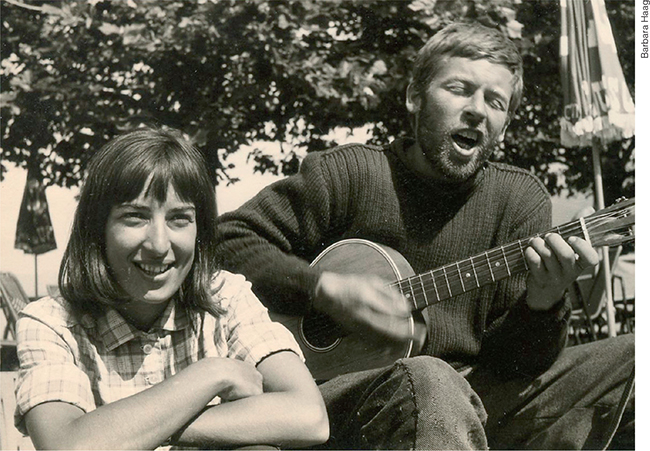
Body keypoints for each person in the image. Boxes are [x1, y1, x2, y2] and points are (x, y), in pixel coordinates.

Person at [215, 22, 634, 450]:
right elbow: (224, 240)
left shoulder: (520, 200)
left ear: (504, 125)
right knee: (430, 378)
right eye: (459, 89)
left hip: (478, 401)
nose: (477, 109)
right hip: (342, 402)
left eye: (495, 101)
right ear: (415, 98)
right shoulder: (349, 173)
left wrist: (544, 303)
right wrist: (321, 288)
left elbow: (519, 366)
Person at [14, 127, 329, 450]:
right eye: (135, 217)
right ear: (97, 229)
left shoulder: (225, 297)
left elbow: (310, 417)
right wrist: (212, 373)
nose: (159, 244)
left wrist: (135, 430)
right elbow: (64, 446)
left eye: (179, 219)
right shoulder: (50, 321)